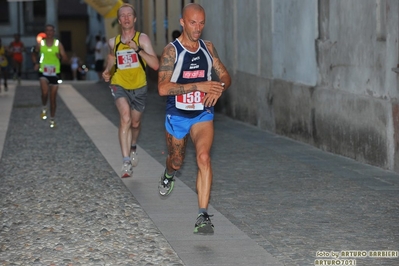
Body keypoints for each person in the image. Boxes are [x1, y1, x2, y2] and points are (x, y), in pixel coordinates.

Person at [157, 3, 231, 235]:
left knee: (204, 157)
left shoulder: (208, 48)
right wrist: (197, 85)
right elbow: (162, 88)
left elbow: (226, 75)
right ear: (182, 22)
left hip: (202, 112)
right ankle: (169, 174)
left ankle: (203, 215)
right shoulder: (172, 51)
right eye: (192, 22)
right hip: (177, 114)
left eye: (201, 23)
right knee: (176, 161)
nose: (197, 28)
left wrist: (219, 87)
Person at [102, 3, 159, 178]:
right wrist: (107, 72)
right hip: (119, 85)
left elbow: (155, 65)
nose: (126, 18)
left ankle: (133, 145)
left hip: (139, 87)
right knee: (125, 117)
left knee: (135, 123)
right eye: (123, 16)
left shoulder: (143, 39)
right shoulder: (113, 42)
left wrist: (138, 49)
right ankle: (126, 161)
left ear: (134, 19)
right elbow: (111, 63)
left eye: (129, 15)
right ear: (119, 20)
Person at [32, 24, 68, 128]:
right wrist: (35, 63)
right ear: (45, 32)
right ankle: (44, 107)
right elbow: (33, 53)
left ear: (54, 32)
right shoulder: (41, 44)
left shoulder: (58, 44)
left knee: (53, 98)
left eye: (51, 31)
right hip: (43, 71)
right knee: (44, 92)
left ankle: (52, 119)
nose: (49, 33)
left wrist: (60, 56)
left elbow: (65, 58)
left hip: (55, 72)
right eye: (47, 31)